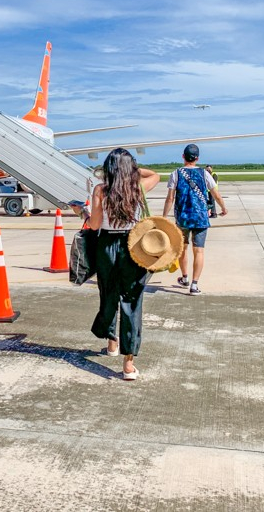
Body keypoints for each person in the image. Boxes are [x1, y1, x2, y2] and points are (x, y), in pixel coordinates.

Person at [86, 148, 162, 381]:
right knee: (132, 301)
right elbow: (156, 175)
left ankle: (112, 342)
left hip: (107, 245)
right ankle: (128, 364)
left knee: (108, 294)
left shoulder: (100, 189)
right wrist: (132, 171)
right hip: (133, 246)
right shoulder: (137, 188)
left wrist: (82, 213)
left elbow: (96, 224)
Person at [162, 143, 227, 295]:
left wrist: (164, 217)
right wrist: (223, 207)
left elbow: (170, 198)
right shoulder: (205, 174)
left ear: (183, 157)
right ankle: (194, 285)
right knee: (199, 251)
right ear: (197, 158)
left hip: (183, 218)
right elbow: (215, 194)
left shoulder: (175, 173)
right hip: (200, 218)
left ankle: (184, 278)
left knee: (183, 249)